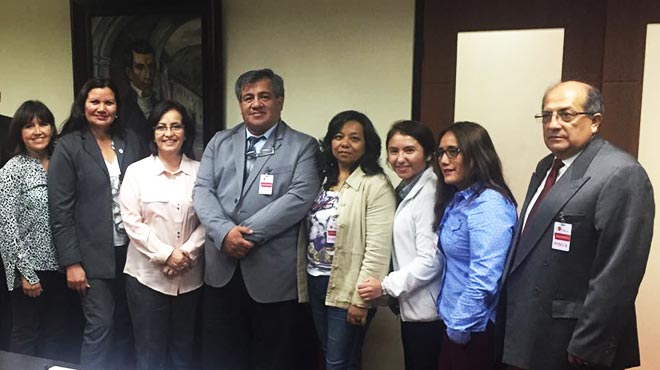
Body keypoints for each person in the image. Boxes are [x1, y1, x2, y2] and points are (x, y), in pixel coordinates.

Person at [501, 81, 655, 370]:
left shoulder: (620, 173)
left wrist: (590, 344)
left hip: (572, 342)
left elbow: (618, 273)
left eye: (566, 115)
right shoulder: (548, 165)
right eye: (546, 116)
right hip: (530, 329)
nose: (553, 124)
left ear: (595, 121)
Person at [193, 68, 321, 370]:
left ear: (280, 101)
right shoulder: (219, 142)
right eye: (248, 97)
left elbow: (298, 199)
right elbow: (202, 190)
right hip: (221, 270)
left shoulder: (303, 146)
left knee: (272, 357)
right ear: (240, 104)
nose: (256, 103)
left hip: (272, 276)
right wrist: (224, 234)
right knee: (222, 355)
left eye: (264, 96)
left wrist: (245, 236)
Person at [48, 77, 148, 370]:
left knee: (126, 326)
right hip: (91, 258)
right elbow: (60, 211)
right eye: (95, 102)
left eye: (108, 102)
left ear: (117, 107)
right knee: (101, 326)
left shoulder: (132, 141)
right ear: (83, 106)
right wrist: (72, 262)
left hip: (133, 253)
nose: (102, 108)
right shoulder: (68, 147)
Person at [298, 110, 395, 370]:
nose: (345, 143)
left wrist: (360, 300)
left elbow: (378, 248)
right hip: (316, 280)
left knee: (336, 363)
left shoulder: (375, 184)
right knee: (337, 356)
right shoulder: (322, 180)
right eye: (339, 136)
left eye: (354, 138)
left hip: (348, 286)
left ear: (367, 145)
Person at [120, 100, 204, 370]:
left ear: (186, 131)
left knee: (184, 351)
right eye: (161, 127)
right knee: (150, 354)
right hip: (146, 279)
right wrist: (168, 255)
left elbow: (209, 219)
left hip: (189, 278)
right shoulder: (137, 172)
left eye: (175, 126)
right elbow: (131, 222)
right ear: (153, 133)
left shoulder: (201, 172)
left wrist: (186, 254)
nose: (168, 133)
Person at [357, 120, 444, 370]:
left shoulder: (428, 193)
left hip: (428, 312)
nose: (400, 158)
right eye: (394, 151)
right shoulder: (406, 188)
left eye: (409, 150)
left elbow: (431, 260)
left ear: (428, 154)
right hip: (414, 307)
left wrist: (384, 286)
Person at [434, 121, 517, 370]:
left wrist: (459, 328)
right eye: (441, 153)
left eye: (453, 151)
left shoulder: (489, 204)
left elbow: (485, 277)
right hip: (455, 321)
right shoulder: (459, 199)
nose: (444, 160)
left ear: (477, 156)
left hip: (472, 328)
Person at [0, 101, 72, 360]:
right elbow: (7, 228)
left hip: (64, 267)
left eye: (43, 123)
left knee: (58, 336)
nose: (38, 130)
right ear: (19, 132)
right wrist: (26, 274)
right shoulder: (12, 170)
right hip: (30, 271)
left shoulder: (62, 162)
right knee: (26, 336)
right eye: (29, 126)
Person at [120, 40, 159, 146]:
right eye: (140, 67)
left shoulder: (161, 106)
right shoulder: (121, 109)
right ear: (129, 72)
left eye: (150, 67)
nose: (147, 74)